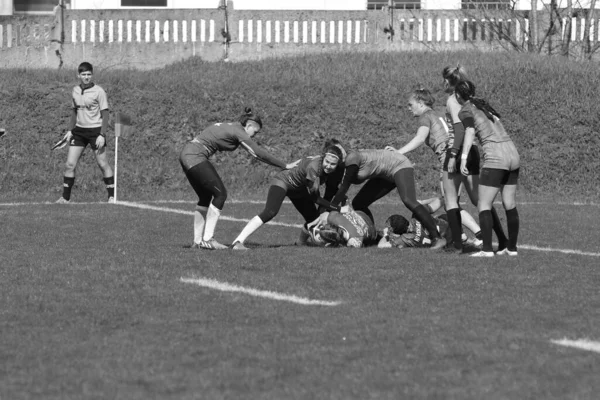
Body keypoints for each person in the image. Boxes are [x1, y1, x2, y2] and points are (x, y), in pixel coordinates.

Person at [179, 107, 296, 250]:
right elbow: (257, 153)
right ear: (249, 125)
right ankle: (208, 239)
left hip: (187, 153)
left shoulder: (232, 126)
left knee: (205, 196)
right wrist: (284, 165)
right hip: (195, 156)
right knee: (220, 194)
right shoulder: (238, 132)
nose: (254, 135)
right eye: (255, 131)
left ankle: (197, 243)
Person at [385, 87, 482, 250]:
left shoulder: (425, 116)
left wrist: (398, 152)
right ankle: (464, 236)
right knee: (453, 202)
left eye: (411, 104)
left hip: (449, 156)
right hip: (466, 150)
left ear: (421, 103)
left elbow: (420, 138)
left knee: (452, 204)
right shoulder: (442, 111)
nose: (409, 108)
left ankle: (477, 236)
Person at [324, 146, 447, 251]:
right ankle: (372, 237)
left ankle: (437, 238)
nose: (330, 163)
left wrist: (329, 210)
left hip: (399, 165)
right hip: (384, 174)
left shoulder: (352, 159)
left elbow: (343, 189)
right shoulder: (336, 167)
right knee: (359, 203)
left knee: (409, 200)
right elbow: (330, 193)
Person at [440, 65, 507, 254]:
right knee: (480, 201)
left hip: (459, 149)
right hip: (473, 151)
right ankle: (502, 240)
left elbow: (460, 129)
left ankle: (456, 245)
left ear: (448, 80)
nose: (442, 83)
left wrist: (453, 155)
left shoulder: (452, 100)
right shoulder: (471, 100)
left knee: (451, 200)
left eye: (443, 79)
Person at [230, 145, 344, 250]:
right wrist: (338, 209)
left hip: (298, 188)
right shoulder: (314, 168)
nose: (328, 166)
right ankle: (237, 242)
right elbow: (316, 199)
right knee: (270, 212)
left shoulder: (331, 167)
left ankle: (300, 244)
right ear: (323, 158)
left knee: (314, 219)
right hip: (283, 181)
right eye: (327, 162)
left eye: (332, 164)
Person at [456, 80, 520, 257]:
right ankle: (511, 248)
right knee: (510, 203)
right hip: (513, 153)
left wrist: (463, 158)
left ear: (457, 95)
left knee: (483, 203)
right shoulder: (484, 106)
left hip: (496, 157)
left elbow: (469, 131)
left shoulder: (466, 109)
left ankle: (486, 250)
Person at [56, 61, 114, 204]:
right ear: (79, 75)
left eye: (89, 74)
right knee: (70, 164)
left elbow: (105, 114)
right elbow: (74, 112)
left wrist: (102, 134)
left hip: (95, 131)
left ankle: (112, 197)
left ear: (92, 75)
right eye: (84, 74)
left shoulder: (99, 91)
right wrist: (70, 131)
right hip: (79, 132)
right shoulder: (75, 90)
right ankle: (65, 198)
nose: (86, 77)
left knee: (102, 164)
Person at [303, 207, 378, 248]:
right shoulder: (333, 217)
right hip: (360, 213)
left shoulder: (354, 239)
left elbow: (354, 249)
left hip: (371, 229)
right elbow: (325, 214)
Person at [377, 212, 451, 249]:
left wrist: (386, 235)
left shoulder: (404, 238)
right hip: (450, 228)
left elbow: (380, 246)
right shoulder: (416, 216)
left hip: (445, 240)